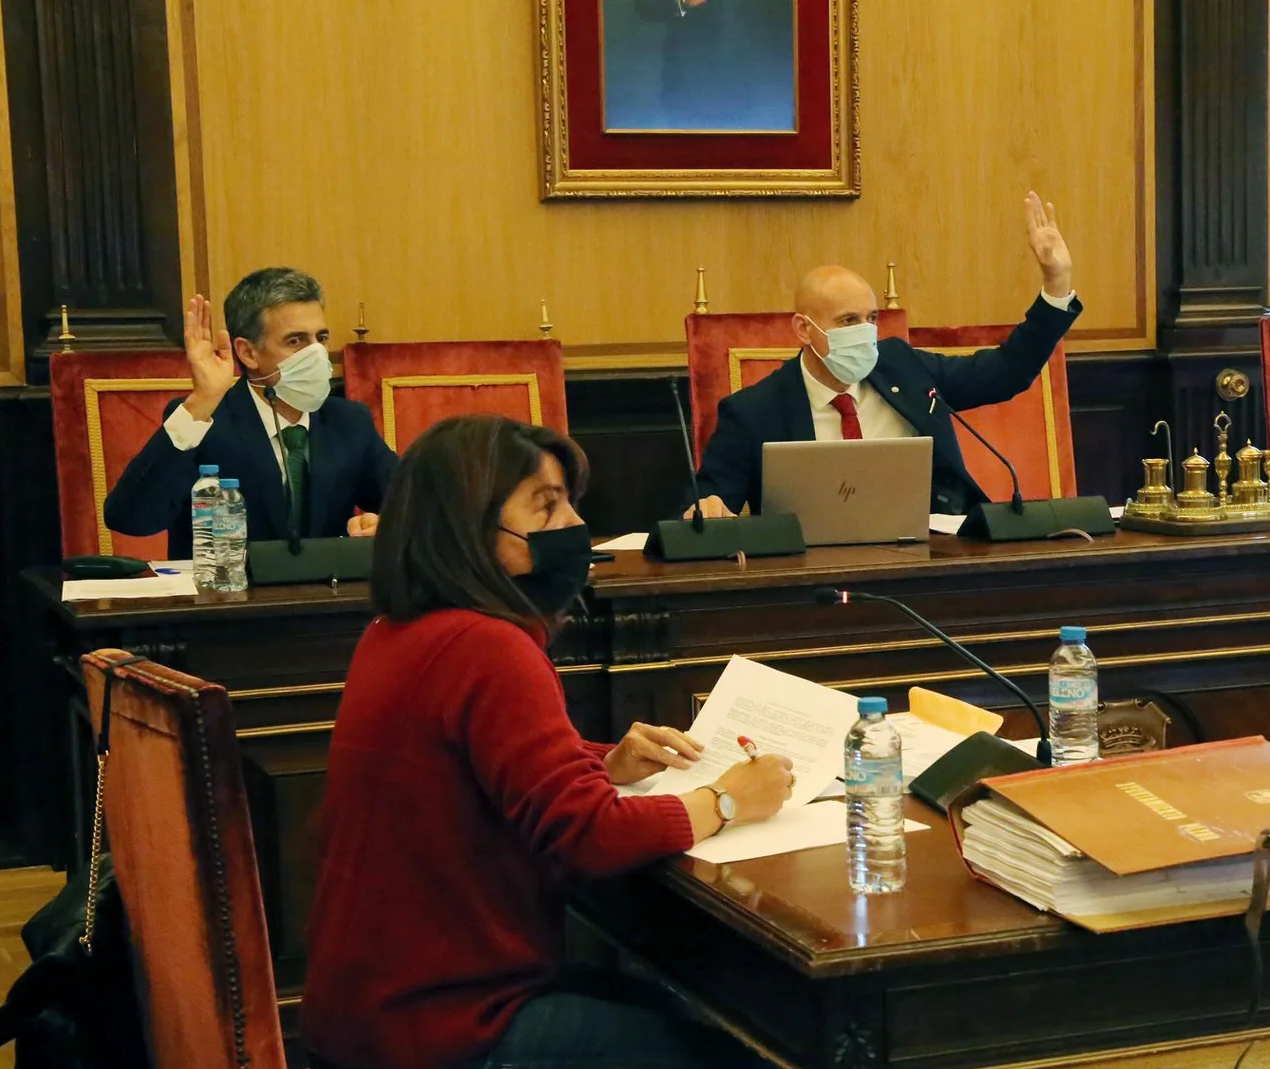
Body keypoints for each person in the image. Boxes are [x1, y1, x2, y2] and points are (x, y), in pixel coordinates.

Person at [301, 415, 791, 1069]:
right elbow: (589, 835)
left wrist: (602, 762)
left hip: (368, 1013)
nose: (571, 526)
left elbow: (476, 770)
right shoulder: (488, 645)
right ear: (471, 528)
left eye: (568, 502)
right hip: (443, 1031)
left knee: (686, 1015)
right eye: (546, 504)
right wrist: (726, 800)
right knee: (748, 1053)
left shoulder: (398, 630)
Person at [686, 192, 1080, 519]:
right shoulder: (754, 411)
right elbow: (707, 509)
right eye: (848, 321)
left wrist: (1056, 283)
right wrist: (709, 510)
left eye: (871, 318)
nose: (865, 332)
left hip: (928, 560)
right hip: (813, 581)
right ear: (804, 329)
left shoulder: (903, 368)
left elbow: (1006, 372)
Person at [103, 267, 398, 558]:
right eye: (296, 341)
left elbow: (417, 507)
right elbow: (130, 519)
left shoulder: (348, 422)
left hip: (327, 600)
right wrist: (201, 403)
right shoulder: (205, 422)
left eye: (320, 338)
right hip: (228, 600)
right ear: (248, 353)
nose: (316, 353)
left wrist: (384, 527)